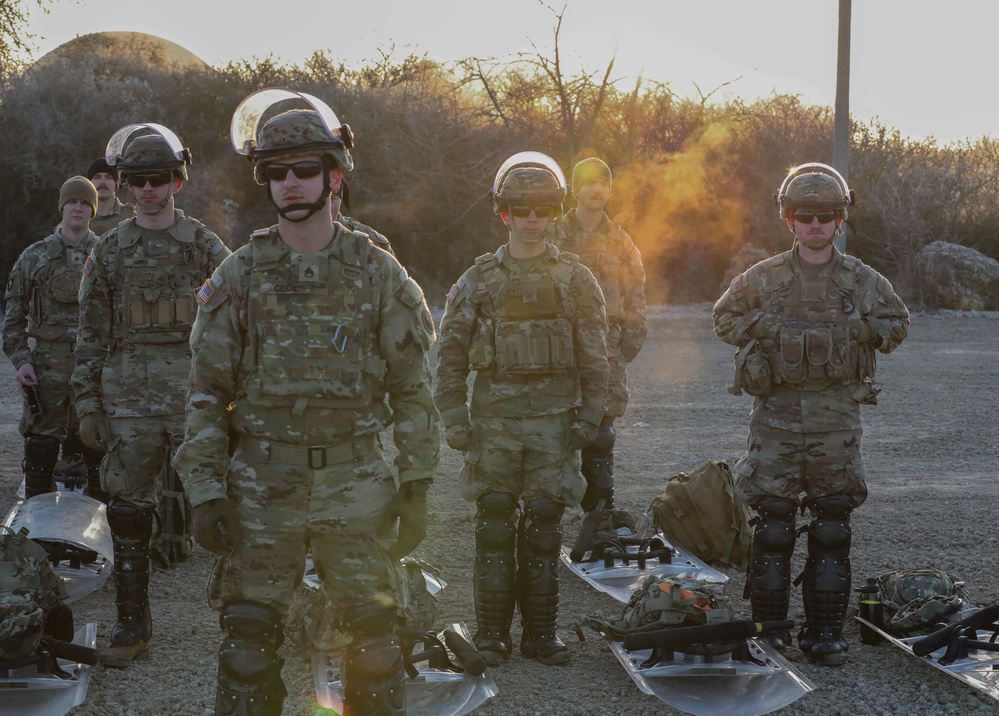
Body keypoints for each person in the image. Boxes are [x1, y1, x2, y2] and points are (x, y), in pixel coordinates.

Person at [172, 88, 439, 715]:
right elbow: (206, 394)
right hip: (263, 482)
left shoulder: (377, 273)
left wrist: (417, 485)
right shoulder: (240, 275)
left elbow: (412, 389)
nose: (290, 182)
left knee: (375, 644)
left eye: (305, 169)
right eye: (276, 172)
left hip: (355, 480)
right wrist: (206, 492)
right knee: (247, 645)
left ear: (334, 176)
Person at [712, 163, 909, 665]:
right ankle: (770, 631)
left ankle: (825, 635)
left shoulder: (860, 279)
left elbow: (896, 323)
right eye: (805, 216)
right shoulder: (765, 277)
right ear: (789, 220)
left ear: (840, 220)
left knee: (832, 525)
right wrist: (763, 328)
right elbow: (723, 316)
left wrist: (861, 332)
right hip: (775, 418)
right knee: (772, 524)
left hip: (836, 419)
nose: (816, 224)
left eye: (825, 216)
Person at [435, 151, 609, 667]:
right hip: (494, 425)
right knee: (493, 523)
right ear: (503, 213)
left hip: (555, 427)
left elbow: (596, 356)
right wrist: (455, 418)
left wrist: (590, 417)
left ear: (555, 213)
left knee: (544, 525)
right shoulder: (478, 280)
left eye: (542, 210)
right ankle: (492, 635)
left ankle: (540, 635)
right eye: (521, 210)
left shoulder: (577, 279)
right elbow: (449, 356)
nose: (532, 219)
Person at [72, 123, 231, 667]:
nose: (146, 189)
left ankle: (245, 620)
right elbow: (90, 334)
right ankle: (131, 625)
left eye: (157, 178)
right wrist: (88, 404)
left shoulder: (206, 247)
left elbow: (236, 322)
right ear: (123, 185)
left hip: (195, 397)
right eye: (136, 180)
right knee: (128, 514)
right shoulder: (109, 250)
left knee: (224, 504)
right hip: (129, 401)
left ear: (177, 181)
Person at [550, 157, 647, 523]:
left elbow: (635, 294)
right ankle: (547, 516)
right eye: (589, 183)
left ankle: (599, 515)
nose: (597, 190)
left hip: (607, 350)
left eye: (604, 183)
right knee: (553, 430)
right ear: (576, 189)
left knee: (601, 433)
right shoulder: (552, 234)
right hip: (559, 350)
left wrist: (627, 347)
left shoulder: (620, 240)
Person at [3, 176, 105, 500]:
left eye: (85, 203)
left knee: (97, 442)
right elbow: (13, 320)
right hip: (46, 367)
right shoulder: (34, 256)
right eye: (72, 201)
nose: (78, 207)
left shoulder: (106, 255)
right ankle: (35, 516)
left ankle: (100, 522)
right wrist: (22, 362)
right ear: (62, 207)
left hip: (94, 366)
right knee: (40, 447)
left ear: (93, 210)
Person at [86, 156, 135, 237]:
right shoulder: (79, 216)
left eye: (108, 177)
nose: (102, 182)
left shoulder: (131, 218)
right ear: (89, 183)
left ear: (116, 184)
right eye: (97, 177)